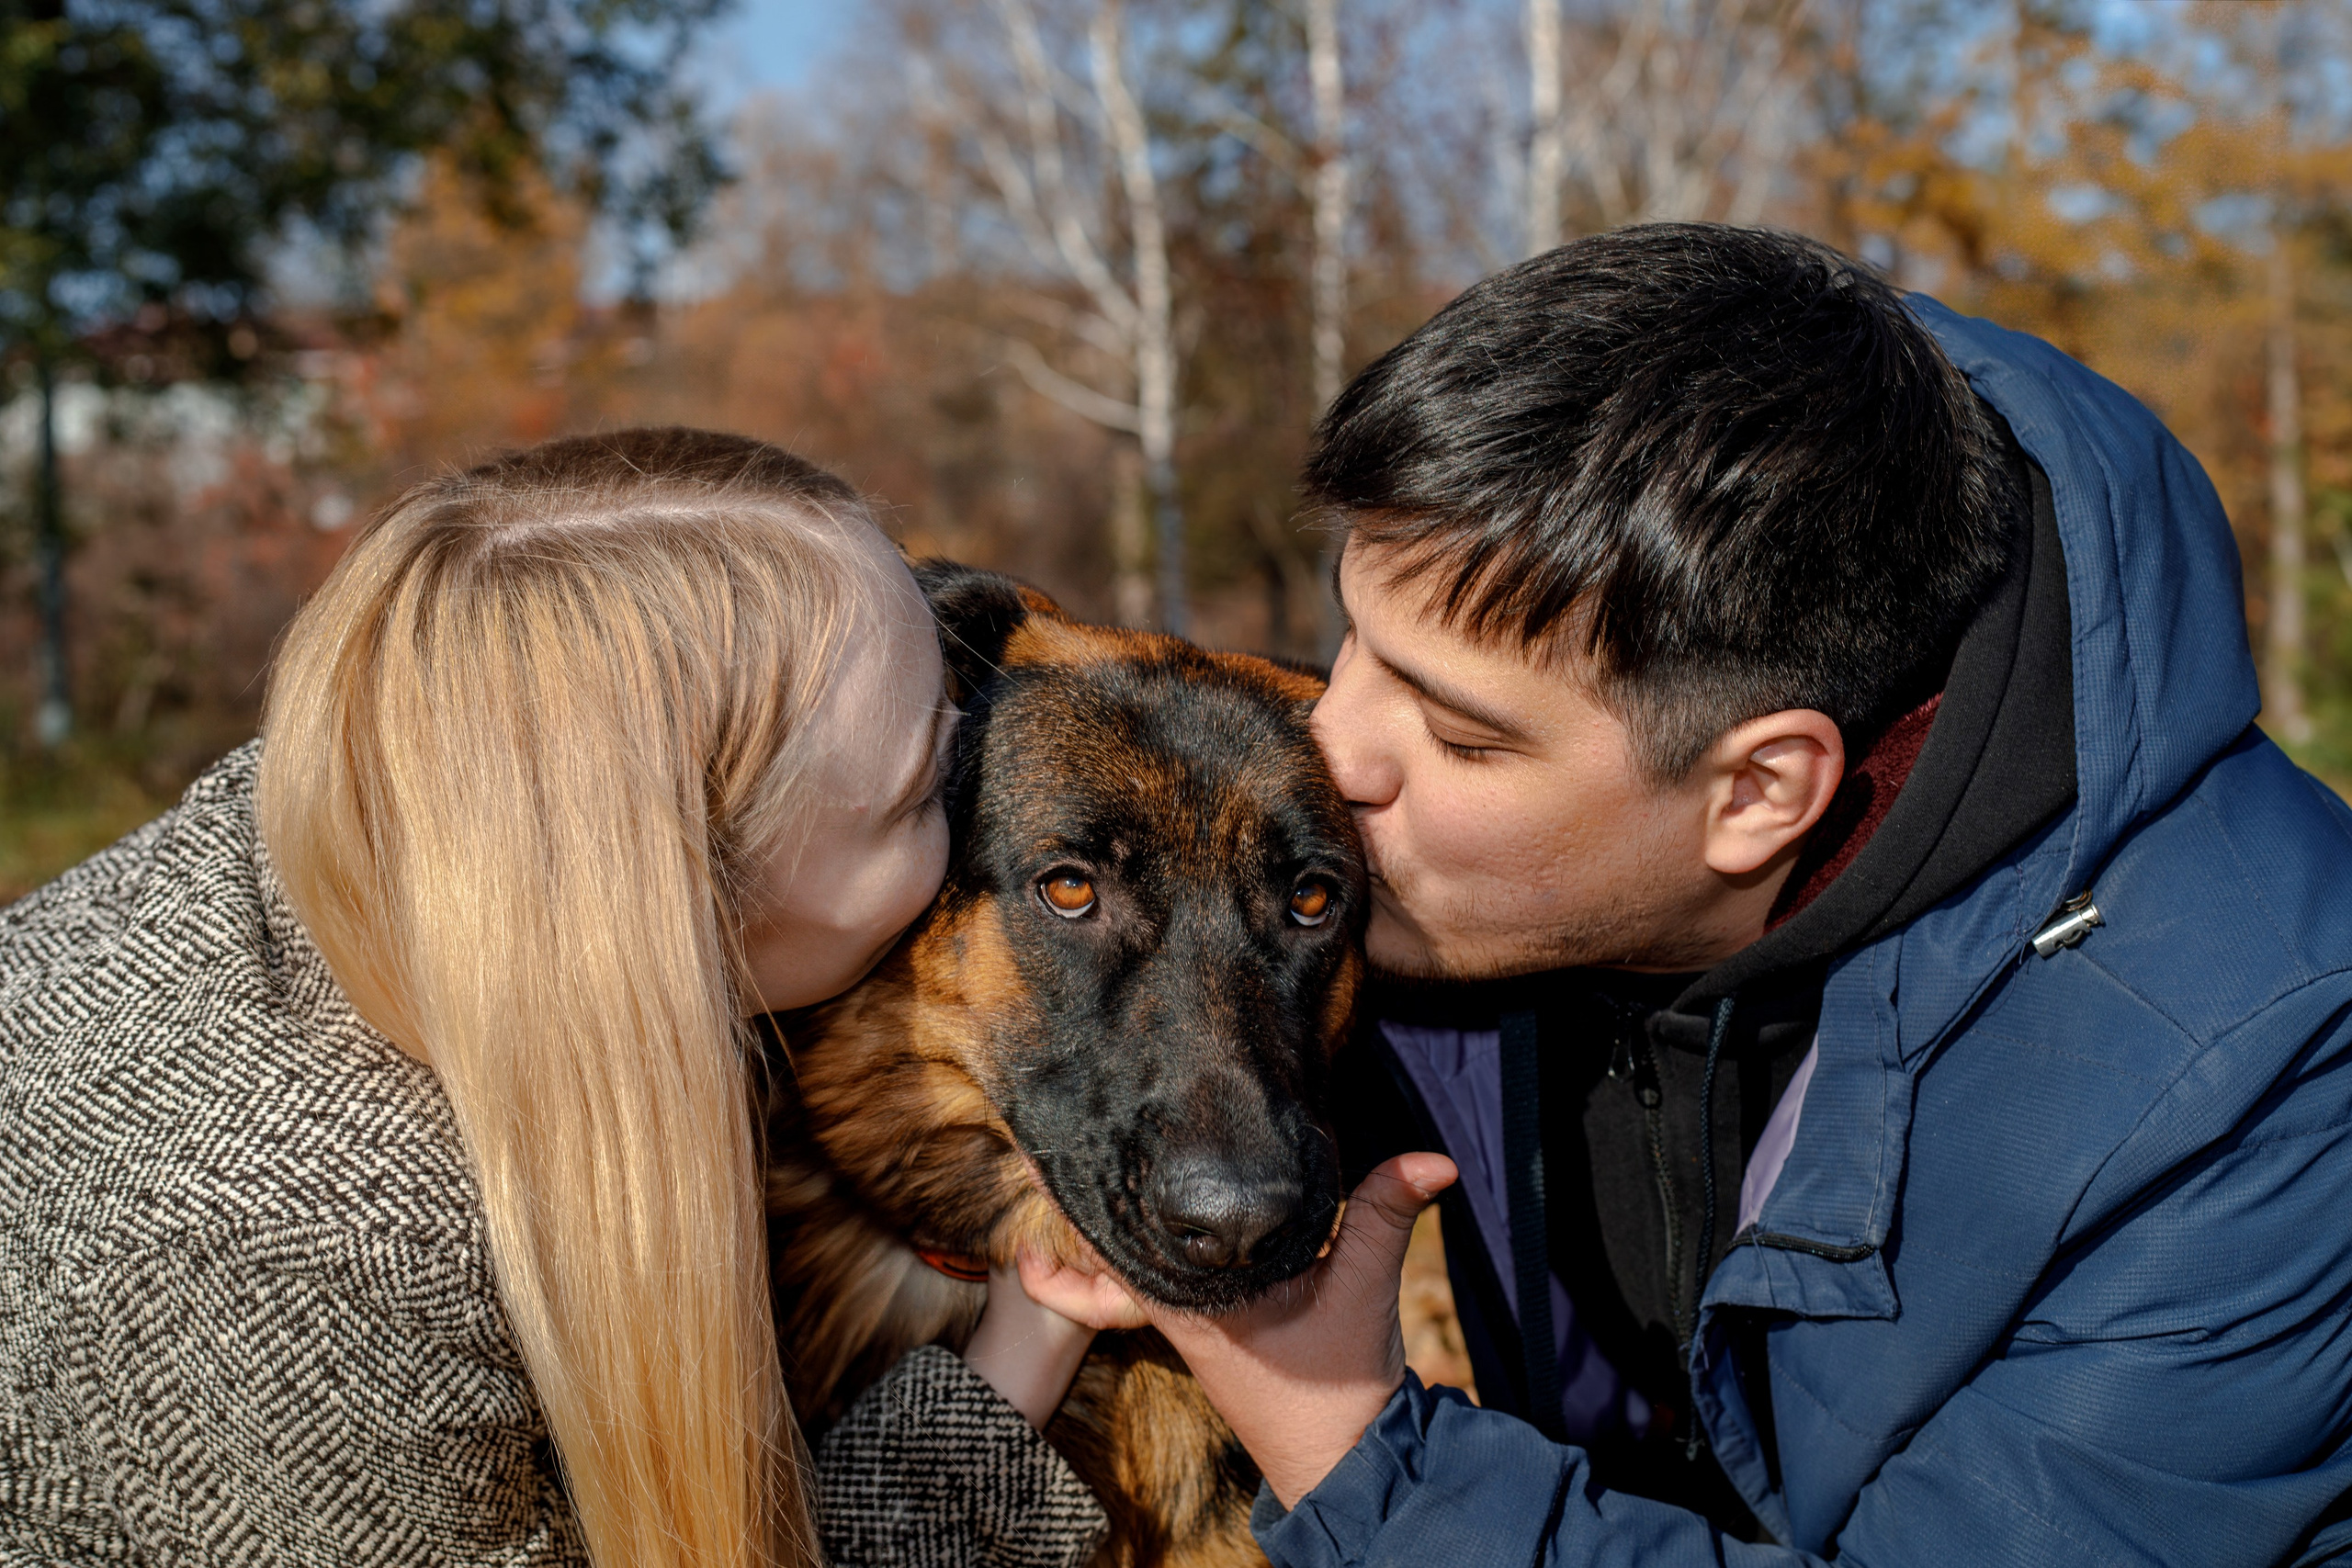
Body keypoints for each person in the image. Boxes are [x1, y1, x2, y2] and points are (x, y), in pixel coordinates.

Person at [1032, 224, 2352, 1563]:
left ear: (1759, 791)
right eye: (1352, 637)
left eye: (1464, 736)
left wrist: (1352, 1450)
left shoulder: (2268, 1081)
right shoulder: (1452, 848)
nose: (1330, 746)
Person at [0, 429, 1110, 1567]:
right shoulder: (314, 1279)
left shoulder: (427, 762)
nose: (974, 777)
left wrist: (1036, 1317)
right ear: (682, 898)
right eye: (928, 787)